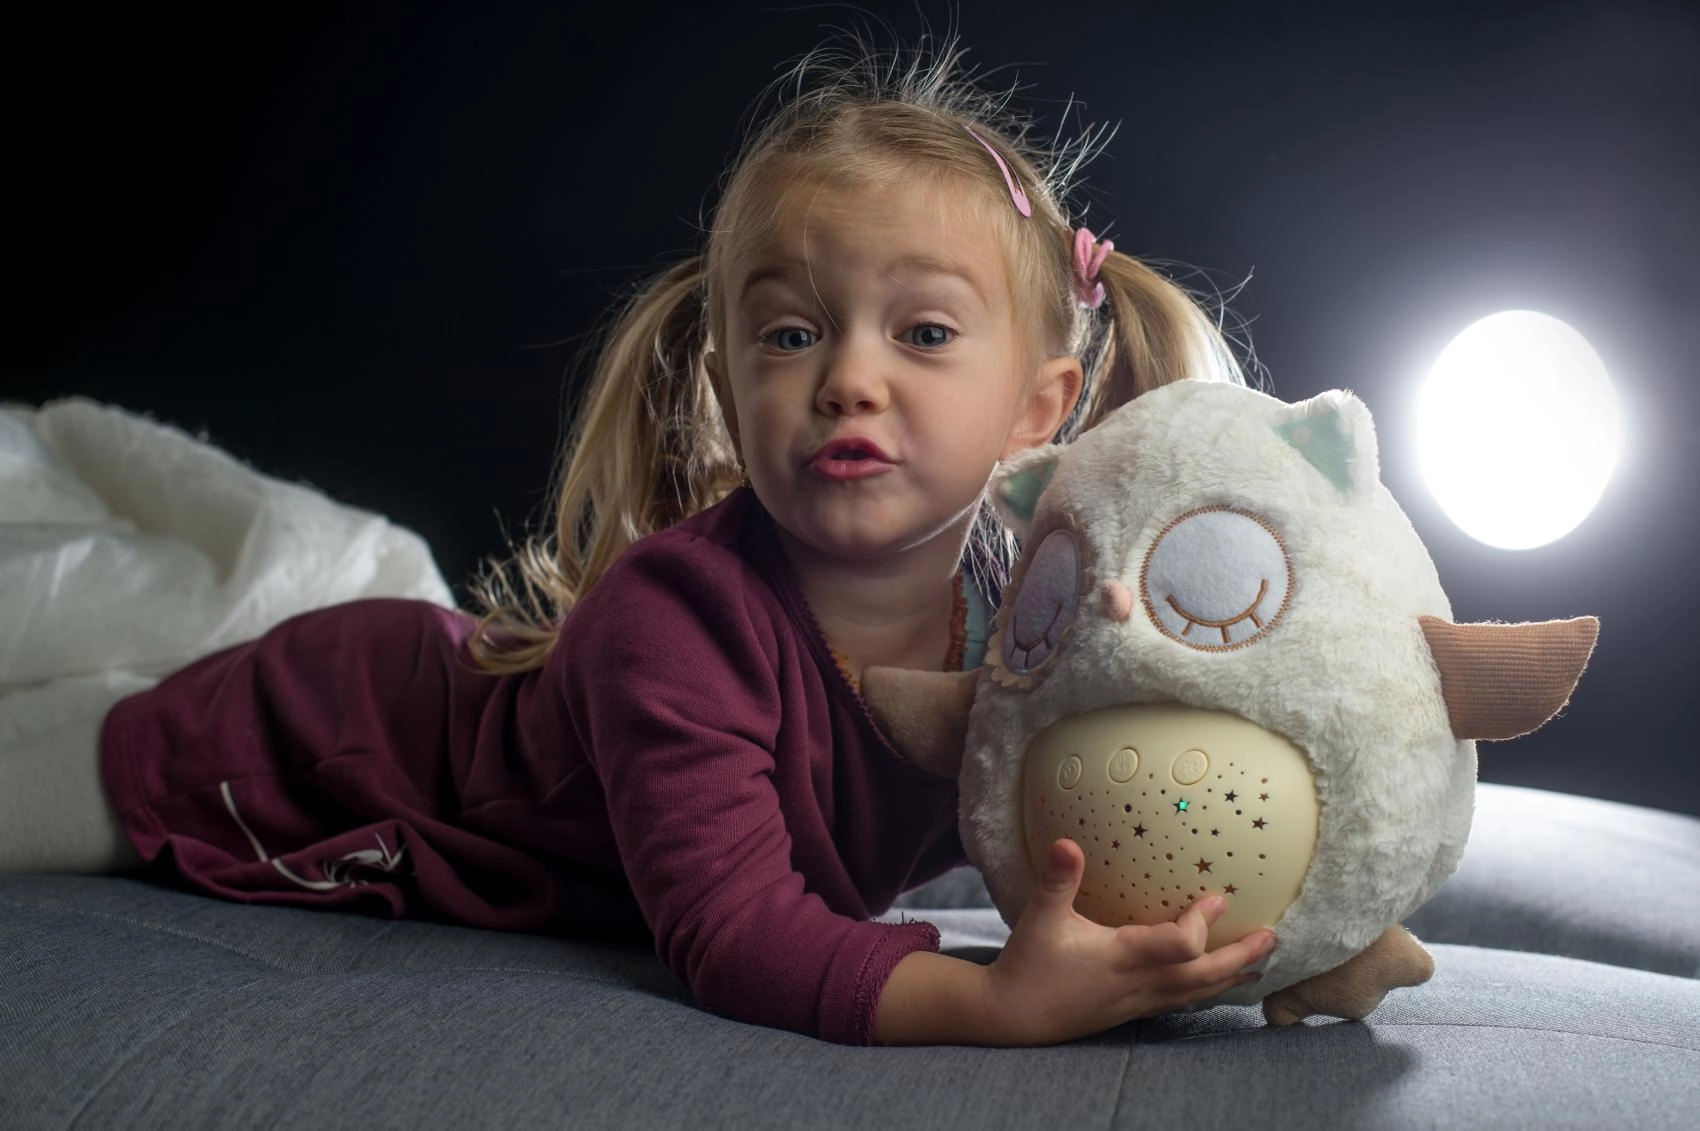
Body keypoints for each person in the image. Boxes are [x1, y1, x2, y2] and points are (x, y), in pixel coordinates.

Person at [0, 38, 1275, 1046]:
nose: (847, 379)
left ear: (1038, 409)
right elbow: (735, 936)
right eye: (790, 335)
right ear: (725, 389)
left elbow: (1152, 779)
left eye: (923, 334)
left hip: (430, 678)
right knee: (50, 776)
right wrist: (993, 1003)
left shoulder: (1030, 616)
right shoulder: (676, 619)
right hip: (323, 734)